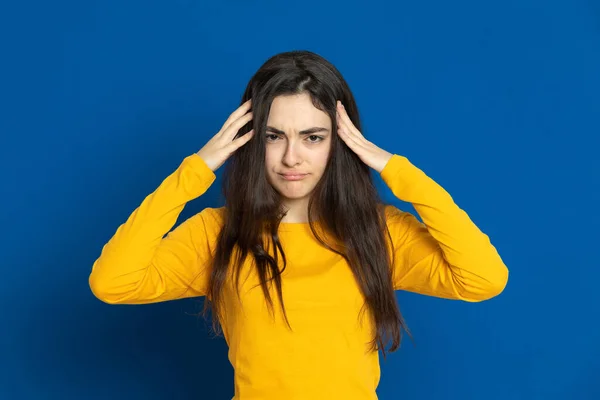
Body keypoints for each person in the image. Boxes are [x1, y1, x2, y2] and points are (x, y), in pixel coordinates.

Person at [89, 50, 509, 400]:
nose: (292, 158)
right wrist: (195, 171)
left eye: (313, 137)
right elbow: (113, 282)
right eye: (274, 136)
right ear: (251, 140)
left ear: (340, 142)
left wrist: (397, 171)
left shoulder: (377, 232)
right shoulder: (218, 233)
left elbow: (483, 278)